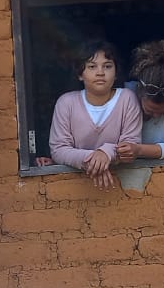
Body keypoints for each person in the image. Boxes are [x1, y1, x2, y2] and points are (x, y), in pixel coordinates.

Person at [49, 41, 143, 190]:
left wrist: (106, 153)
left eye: (107, 66)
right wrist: (94, 160)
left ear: (116, 72)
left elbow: (131, 145)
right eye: (92, 66)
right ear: (80, 74)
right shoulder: (66, 103)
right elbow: (59, 149)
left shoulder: (127, 99)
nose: (100, 72)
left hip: (121, 187)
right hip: (74, 189)